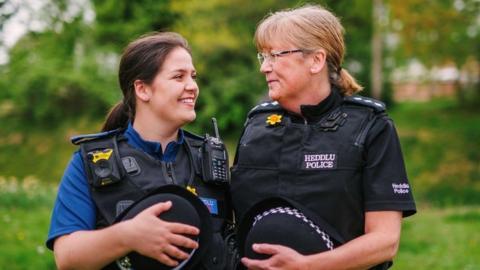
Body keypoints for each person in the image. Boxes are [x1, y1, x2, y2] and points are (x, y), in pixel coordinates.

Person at [230, 4, 416, 270]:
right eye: (263, 57)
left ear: (316, 60)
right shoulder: (255, 125)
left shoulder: (371, 126)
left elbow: (385, 241)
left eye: (275, 55)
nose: (265, 68)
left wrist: (308, 266)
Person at [46, 32, 235, 270]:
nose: (193, 87)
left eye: (193, 76)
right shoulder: (92, 162)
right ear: (142, 89)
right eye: (179, 77)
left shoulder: (211, 159)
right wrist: (127, 236)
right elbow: (67, 258)